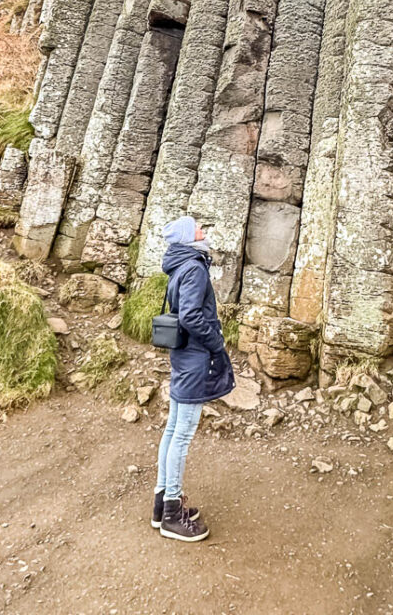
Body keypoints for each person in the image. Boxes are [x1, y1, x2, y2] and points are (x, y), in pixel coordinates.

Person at [152, 215, 235, 542]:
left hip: (183, 355)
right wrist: (216, 343)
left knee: (173, 429)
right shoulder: (195, 268)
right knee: (181, 434)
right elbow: (190, 316)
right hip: (196, 357)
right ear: (189, 237)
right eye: (198, 228)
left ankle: (162, 504)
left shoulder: (180, 266)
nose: (203, 231)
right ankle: (172, 513)